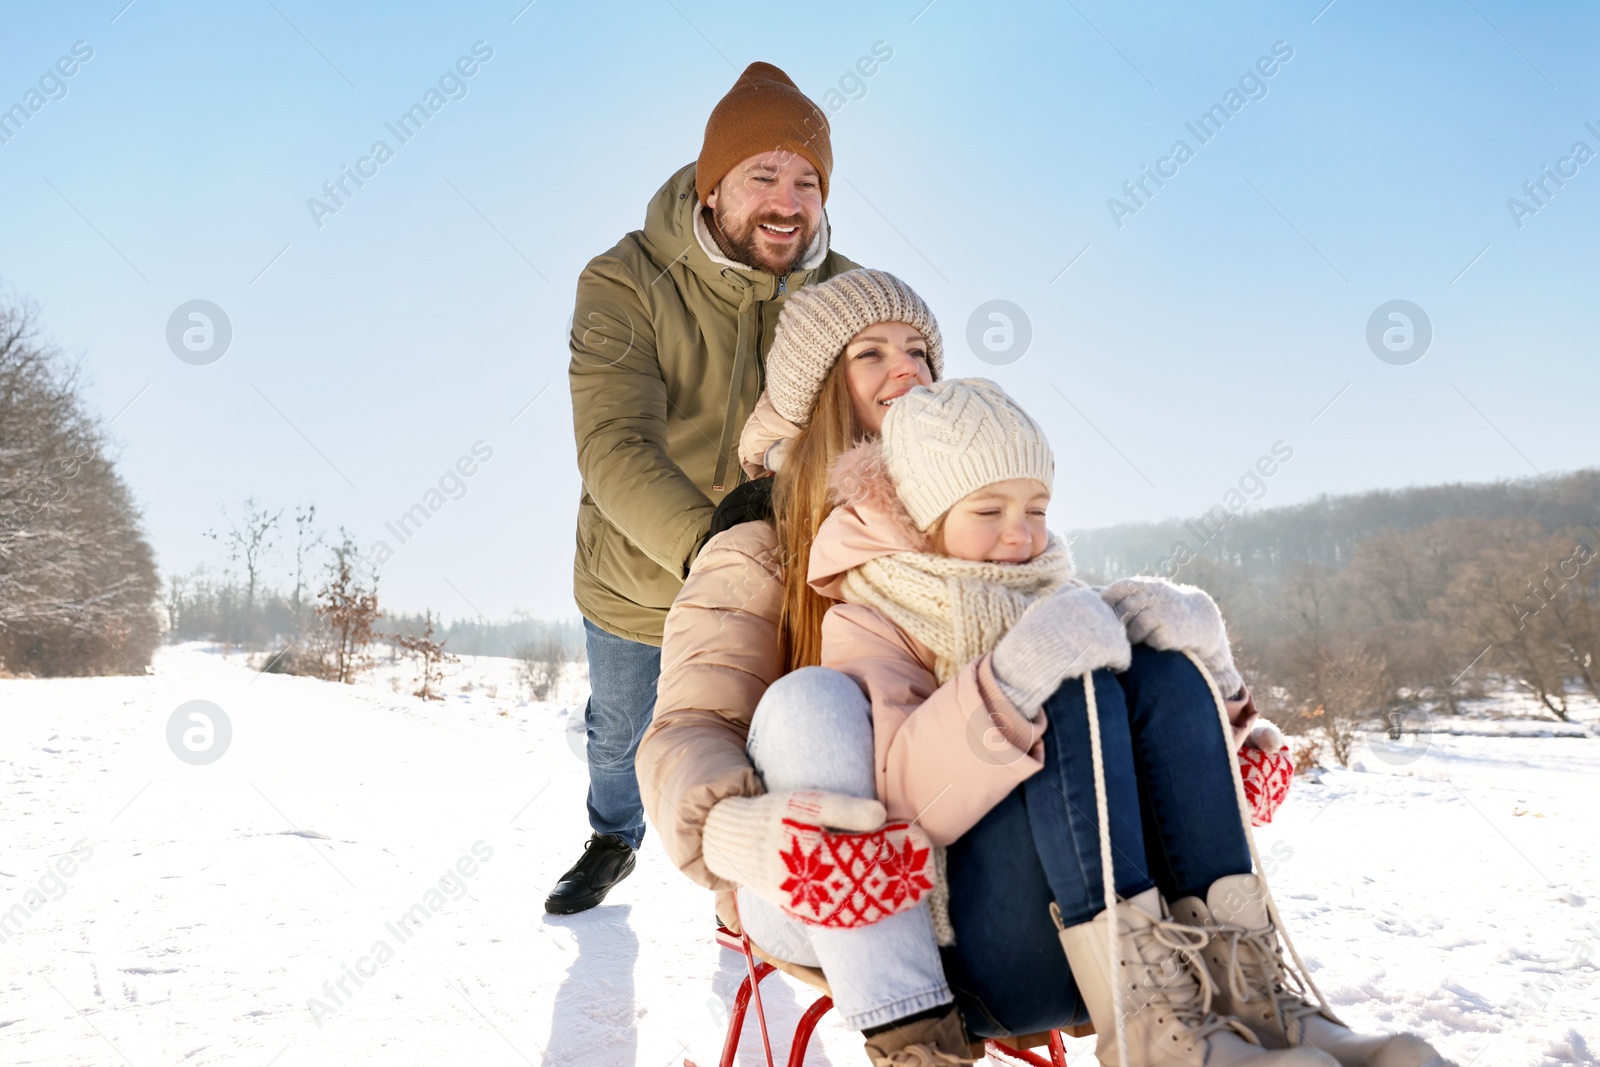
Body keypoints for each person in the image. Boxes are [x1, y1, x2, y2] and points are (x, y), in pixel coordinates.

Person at [637, 271, 1452, 1067]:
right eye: (870, 353)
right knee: (812, 699)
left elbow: (1095, 698)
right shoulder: (757, 545)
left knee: (1127, 671)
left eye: (920, 348)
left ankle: (1250, 1007)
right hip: (815, 865)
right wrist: (740, 833)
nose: (907, 367)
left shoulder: (978, 521)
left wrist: (1214, 675)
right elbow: (687, 731)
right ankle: (912, 1035)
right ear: (815, 393)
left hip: (990, 857)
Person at [547, 61, 858, 915]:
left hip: (788, 584)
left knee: (778, 743)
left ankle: (751, 905)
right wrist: (716, 546)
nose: (787, 202)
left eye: (806, 181)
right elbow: (612, 443)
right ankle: (614, 836)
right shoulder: (623, 282)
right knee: (622, 737)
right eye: (762, 176)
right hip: (640, 580)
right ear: (712, 186)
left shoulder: (848, 299)